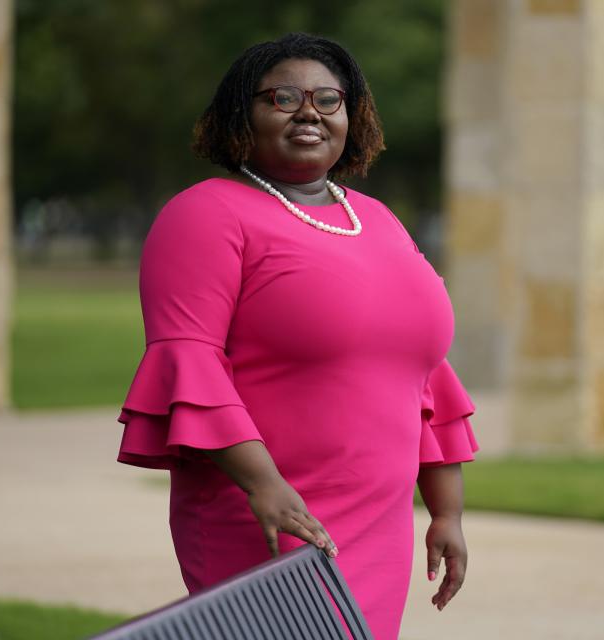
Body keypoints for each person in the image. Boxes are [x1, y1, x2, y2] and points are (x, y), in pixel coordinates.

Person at [116, 32, 479, 639]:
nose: (309, 111)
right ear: (241, 114)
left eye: (328, 99)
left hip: (378, 523)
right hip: (268, 511)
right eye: (283, 98)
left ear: (352, 116)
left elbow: (424, 374)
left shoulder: (378, 220)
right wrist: (265, 485)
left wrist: (447, 512)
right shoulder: (205, 214)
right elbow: (190, 362)